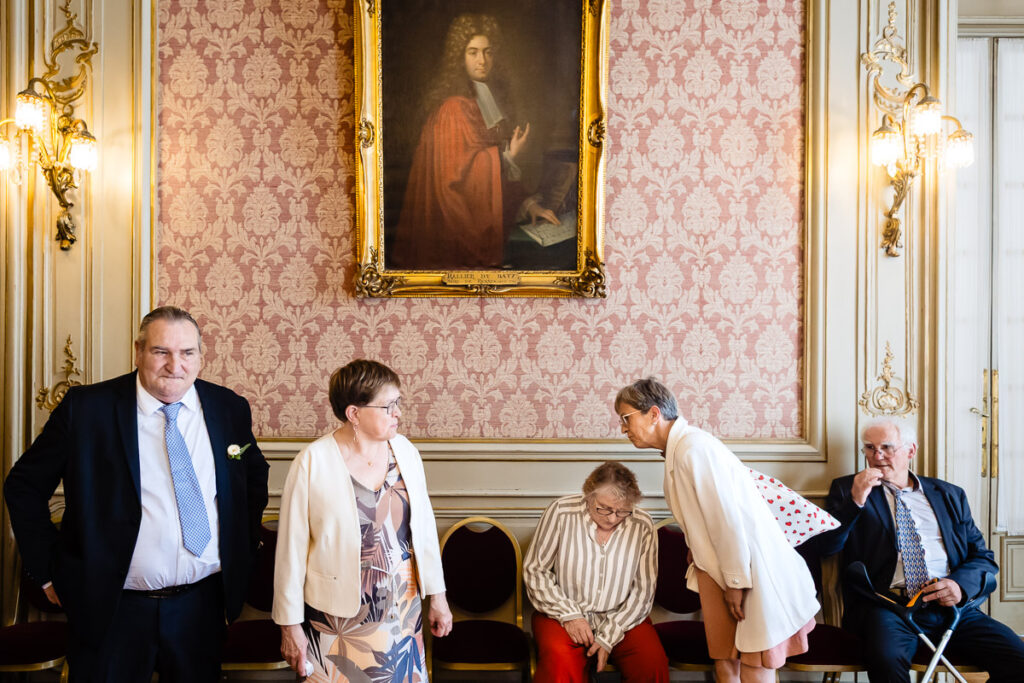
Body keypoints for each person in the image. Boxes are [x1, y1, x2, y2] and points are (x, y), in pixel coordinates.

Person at [3, 306, 270, 682]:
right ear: (138, 352)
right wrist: (47, 572)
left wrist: (243, 546)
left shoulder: (229, 408)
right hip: (111, 609)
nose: (175, 365)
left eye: (187, 352)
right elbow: (24, 486)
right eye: (161, 351)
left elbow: (254, 478)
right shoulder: (87, 409)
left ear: (200, 356)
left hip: (202, 607)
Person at [615, 377, 819, 683]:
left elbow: (727, 519)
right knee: (725, 658)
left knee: (754, 664)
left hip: (746, 569)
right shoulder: (682, 449)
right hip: (718, 567)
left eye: (626, 418)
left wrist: (736, 582)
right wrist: (695, 549)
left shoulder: (694, 449)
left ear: (654, 414)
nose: (623, 429)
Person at [273, 359, 453, 680]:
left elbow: (424, 533)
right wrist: (289, 625)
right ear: (354, 413)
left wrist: (438, 597)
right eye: (388, 406)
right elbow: (291, 552)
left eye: (398, 402)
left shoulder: (405, 451)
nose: (398, 413)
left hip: (402, 613)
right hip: (337, 619)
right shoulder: (312, 462)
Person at [812, 417, 1024, 682]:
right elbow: (827, 547)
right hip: (888, 606)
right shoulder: (848, 489)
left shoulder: (949, 494)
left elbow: (983, 557)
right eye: (869, 448)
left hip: (952, 608)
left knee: (1018, 658)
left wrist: (959, 586)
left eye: (887, 447)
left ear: (910, 450)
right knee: (886, 661)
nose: (877, 456)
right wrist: (855, 501)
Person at [390, 13, 558, 270]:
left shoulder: (482, 100)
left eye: (488, 52)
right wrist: (508, 157)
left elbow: (491, 176)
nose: (482, 60)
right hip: (453, 237)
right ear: (460, 57)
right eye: (473, 52)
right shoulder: (453, 109)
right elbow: (457, 181)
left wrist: (528, 205)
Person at [525, 461, 669, 682]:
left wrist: (609, 636)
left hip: (622, 617)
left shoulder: (642, 524)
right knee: (560, 662)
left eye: (622, 511)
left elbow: (643, 592)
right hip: (562, 613)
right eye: (604, 508)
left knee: (651, 663)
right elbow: (536, 570)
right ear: (588, 496)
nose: (612, 518)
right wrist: (570, 615)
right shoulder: (561, 511)